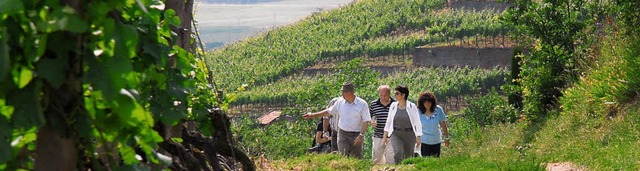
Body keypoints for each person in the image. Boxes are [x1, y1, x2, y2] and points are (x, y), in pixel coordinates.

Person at [303, 82, 371, 158]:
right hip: (343, 134)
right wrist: (313, 115)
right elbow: (328, 112)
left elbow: (366, 121)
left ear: (350, 92)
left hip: (356, 134)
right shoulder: (340, 102)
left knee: (357, 157)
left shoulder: (362, 104)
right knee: (343, 156)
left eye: (343, 92)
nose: (342, 94)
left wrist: (361, 135)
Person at [382, 85, 422, 164]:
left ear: (403, 95)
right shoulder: (393, 106)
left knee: (408, 157)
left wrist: (418, 136)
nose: (394, 95)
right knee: (398, 153)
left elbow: (417, 122)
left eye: (397, 93)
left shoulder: (412, 106)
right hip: (396, 133)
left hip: (409, 134)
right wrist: (385, 136)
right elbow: (389, 121)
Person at [417, 91, 450, 157]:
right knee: (425, 161)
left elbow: (443, 124)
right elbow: (415, 125)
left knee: (435, 161)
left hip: (436, 140)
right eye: (425, 102)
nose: (427, 104)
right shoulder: (418, 111)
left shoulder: (438, 110)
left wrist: (447, 137)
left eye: (429, 102)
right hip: (424, 140)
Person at [369, 85, 395, 164]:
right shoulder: (373, 104)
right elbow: (368, 118)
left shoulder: (395, 104)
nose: (383, 98)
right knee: (376, 159)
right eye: (381, 95)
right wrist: (371, 122)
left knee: (391, 160)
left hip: (392, 136)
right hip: (378, 135)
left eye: (385, 95)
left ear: (389, 94)